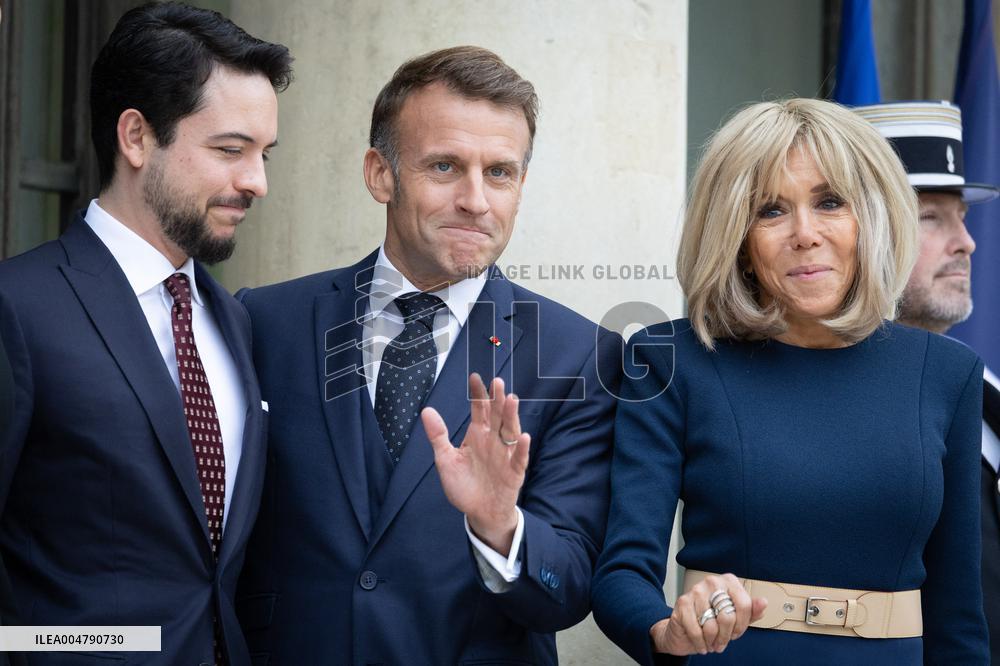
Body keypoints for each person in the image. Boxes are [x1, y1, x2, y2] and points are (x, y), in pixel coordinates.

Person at [235, 46, 621, 665]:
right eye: (445, 166)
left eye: (500, 172)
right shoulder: (261, 321)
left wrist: (500, 526)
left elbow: (571, 586)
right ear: (379, 174)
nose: (476, 199)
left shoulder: (581, 355)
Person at [590, 98, 989, 664]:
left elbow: (958, 614)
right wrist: (664, 630)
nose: (805, 233)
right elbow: (621, 573)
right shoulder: (668, 358)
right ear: (739, 240)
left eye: (830, 202)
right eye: (770, 211)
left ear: (870, 218)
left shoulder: (948, 373)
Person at [0, 3, 292, 663]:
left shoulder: (233, 322)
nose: (257, 182)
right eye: (230, 150)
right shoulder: (17, 308)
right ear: (136, 137)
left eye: (264, 154)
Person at [854, 100, 1000, 664]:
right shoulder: (831, 395)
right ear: (862, 231)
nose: (966, 242)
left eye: (961, 216)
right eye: (931, 217)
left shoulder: (982, 385)